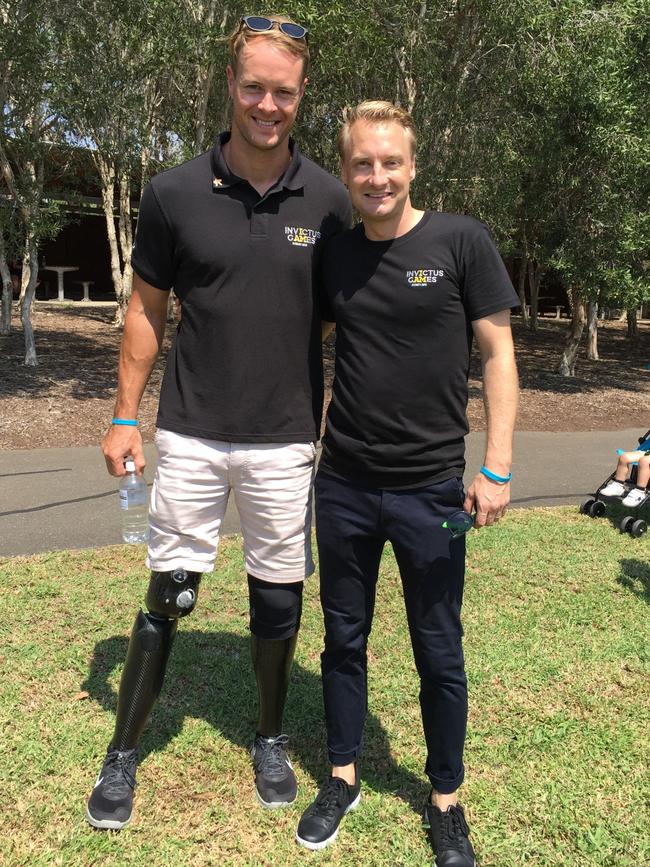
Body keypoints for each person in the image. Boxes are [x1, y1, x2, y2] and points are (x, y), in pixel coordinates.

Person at [85, 14, 351, 831]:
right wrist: (126, 415)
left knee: (279, 593)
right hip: (193, 430)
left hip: (285, 436)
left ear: (301, 96)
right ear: (229, 86)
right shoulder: (171, 193)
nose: (267, 105)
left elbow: (351, 313)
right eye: (253, 87)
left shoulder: (332, 201)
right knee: (172, 587)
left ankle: (270, 737)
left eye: (283, 92)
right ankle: (122, 754)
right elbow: (144, 312)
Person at [295, 101, 519, 865]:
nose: (377, 176)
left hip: (435, 492)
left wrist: (495, 468)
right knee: (343, 638)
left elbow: (497, 357)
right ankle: (343, 775)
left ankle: (446, 801)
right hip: (346, 485)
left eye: (391, 162)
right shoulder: (337, 254)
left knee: (439, 646)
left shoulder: (461, 241)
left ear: (413, 165)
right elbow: (308, 336)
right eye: (362, 163)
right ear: (347, 170)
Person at [600, 438, 650, 507]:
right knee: (624, 457)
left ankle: (640, 492)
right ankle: (618, 485)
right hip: (648, 451)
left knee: (644, 461)